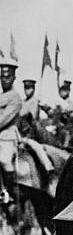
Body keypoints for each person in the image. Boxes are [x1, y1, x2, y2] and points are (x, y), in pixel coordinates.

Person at [0, 58, 22, 201]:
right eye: (2, 76)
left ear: (13, 78)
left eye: (7, 77)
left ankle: (8, 192)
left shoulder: (16, 98)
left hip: (7, 137)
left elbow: (3, 120)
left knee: (3, 160)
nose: (4, 80)